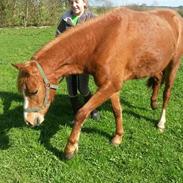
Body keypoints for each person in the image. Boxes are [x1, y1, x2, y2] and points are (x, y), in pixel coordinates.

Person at [56, 0, 100, 123]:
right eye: (71, 2)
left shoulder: (92, 19)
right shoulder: (65, 20)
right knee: (71, 89)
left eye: (77, 2)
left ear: (84, 3)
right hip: (68, 61)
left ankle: (93, 109)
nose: (74, 5)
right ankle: (76, 114)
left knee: (83, 87)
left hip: (84, 62)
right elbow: (58, 38)